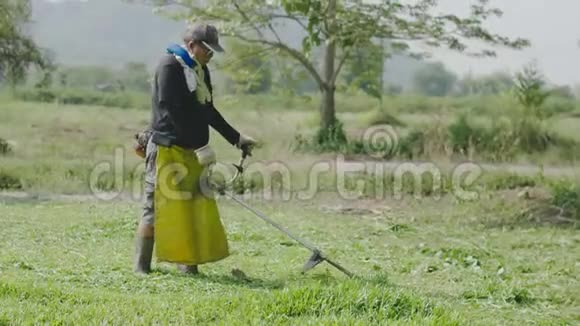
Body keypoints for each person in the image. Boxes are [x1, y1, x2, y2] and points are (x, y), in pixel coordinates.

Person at [133, 22, 257, 275]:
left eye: (213, 51)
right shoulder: (169, 66)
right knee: (155, 207)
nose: (211, 55)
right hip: (167, 149)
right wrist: (200, 145)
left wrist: (237, 138)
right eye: (207, 50)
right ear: (191, 45)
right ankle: (141, 267)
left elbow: (207, 110)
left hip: (193, 151)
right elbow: (172, 110)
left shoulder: (201, 70)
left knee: (192, 207)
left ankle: (188, 266)